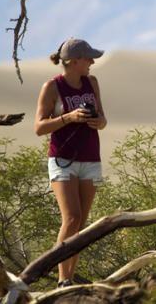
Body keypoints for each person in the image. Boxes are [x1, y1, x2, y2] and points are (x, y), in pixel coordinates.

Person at [34, 38, 107, 287]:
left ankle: (70, 278)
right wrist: (69, 117)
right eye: (88, 58)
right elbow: (39, 127)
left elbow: (103, 118)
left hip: (90, 158)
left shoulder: (92, 82)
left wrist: (97, 121)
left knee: (82, 226)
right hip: (62, 159)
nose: (92, 62)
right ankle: (62, 280)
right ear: (75, 61)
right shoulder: (52, 87)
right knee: (72, 218)